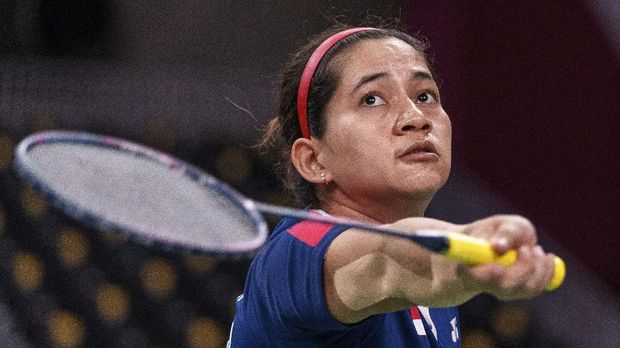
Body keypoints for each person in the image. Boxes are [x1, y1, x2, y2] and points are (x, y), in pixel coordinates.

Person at [228, 24, 557, 347]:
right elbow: (388, 261)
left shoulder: (436, 307)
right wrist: (472, 244)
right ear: (314, 160)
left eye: (425, 96)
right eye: (371, 99)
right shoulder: (298, 254)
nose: (416, 116)